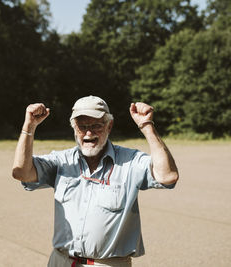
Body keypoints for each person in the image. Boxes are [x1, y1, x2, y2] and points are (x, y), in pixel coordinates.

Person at [12, 96, 179, 267]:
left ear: (109, 126)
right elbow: (21, 172)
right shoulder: (61, 161)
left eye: (96, 126)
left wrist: (147, 126)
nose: (88, 133)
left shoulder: (130, 161)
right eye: (82, 127)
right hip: (61, 261)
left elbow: (168, 176)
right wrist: (29, 127)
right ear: (74, 128)